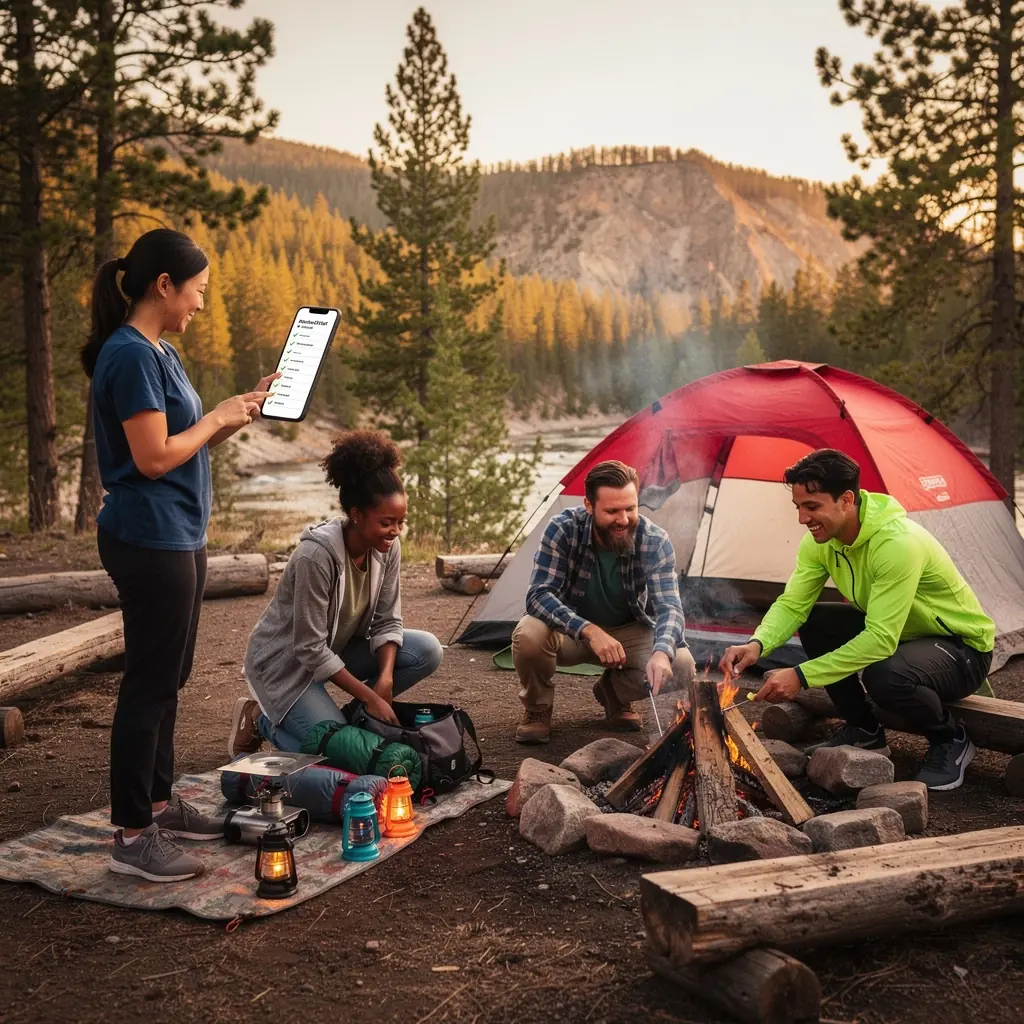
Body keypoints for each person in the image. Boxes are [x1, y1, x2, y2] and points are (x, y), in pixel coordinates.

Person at [84, 228, 277, 883]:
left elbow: (180, 445)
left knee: (171, 674)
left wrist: (235, 411)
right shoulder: (130, 357)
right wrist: (217, 416)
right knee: (148, 682)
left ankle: (159, 805)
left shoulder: (158, 352)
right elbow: (153, 456)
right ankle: (133, 833)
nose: (201, 303)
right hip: (147, 536)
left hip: (179, 533)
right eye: (197, 291)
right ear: (163, 286)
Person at [720, 449, 995, 792]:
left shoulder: (897, 544)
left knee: (886, 675)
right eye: (799, 507)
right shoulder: (820, 542)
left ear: (847, 500)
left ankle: (951, 739)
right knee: (819, 621)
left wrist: (802, 676)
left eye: (813, 506)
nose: (803, 519)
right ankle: (864, 730)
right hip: (907, 640)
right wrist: (757, 644)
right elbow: (793, 603)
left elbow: (881, 640)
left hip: (962, 649)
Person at [229, 431, 443, 755]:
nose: (396, 532)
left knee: (427, 650)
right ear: (356, 515)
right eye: (387, 522)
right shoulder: (315, 557)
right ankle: (261, 718)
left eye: (401, 522)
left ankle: (351, 727)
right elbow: (310, 649)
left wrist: (384, 682)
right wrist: (370, 696)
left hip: (336, 650)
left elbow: (387, 620)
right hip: (287, 666)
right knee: (336, 755)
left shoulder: (388, 548)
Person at [512, 459, 695, 744]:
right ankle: (538, 710)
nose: (623, 519)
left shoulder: (654, 540)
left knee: (681, 662)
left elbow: (669, 608)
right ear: (588, 505)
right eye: (611, 511)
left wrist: (661, 652)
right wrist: (589, 630)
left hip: (626, 633)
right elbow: (539, 595)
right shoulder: (562, 529)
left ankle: (614, 695)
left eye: (630, 509)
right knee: (529, 634)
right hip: (569, 633)